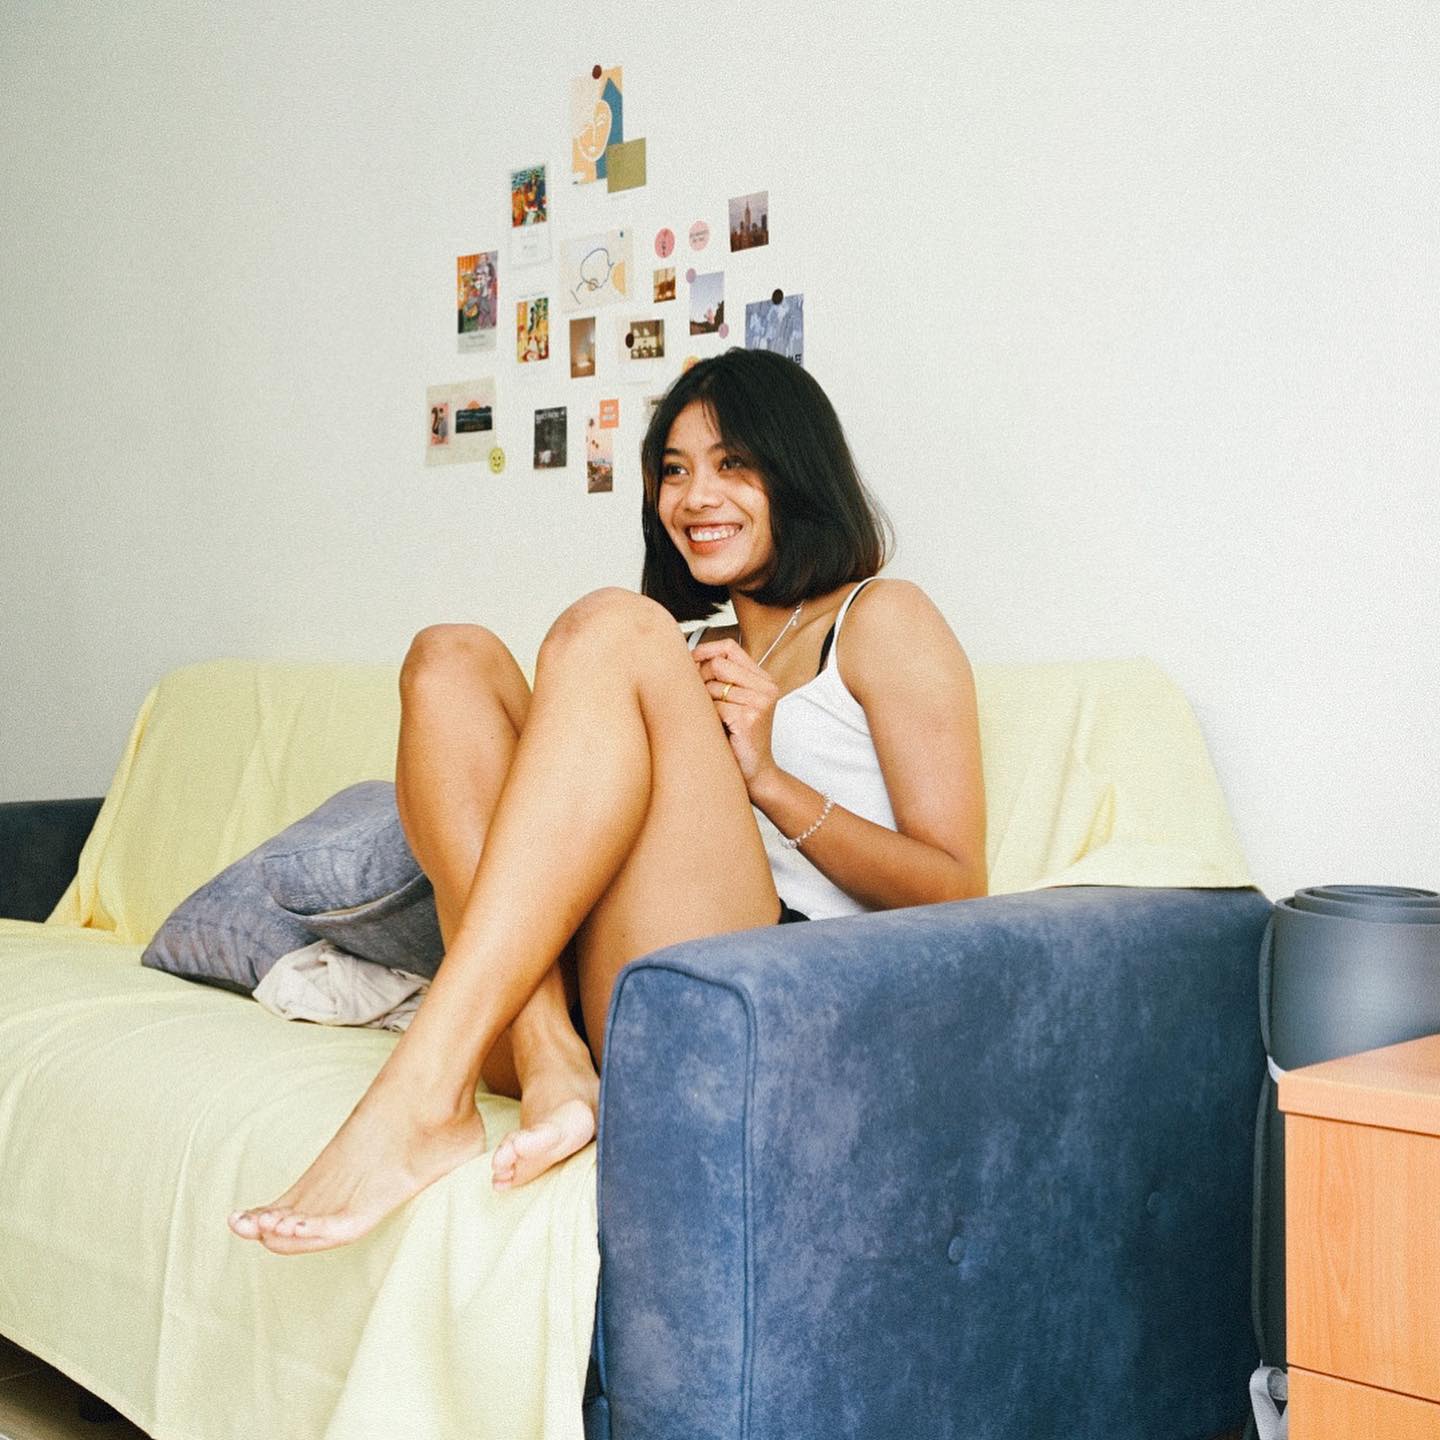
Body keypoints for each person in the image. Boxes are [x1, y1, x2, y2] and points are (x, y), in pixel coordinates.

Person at [228, 348, 987, 1254]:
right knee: (448, 657)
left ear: (798, 471)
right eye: (675, 470)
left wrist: (769, 781)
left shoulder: (879, 617)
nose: (696, 497)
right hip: (585, 997)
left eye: (733, 464)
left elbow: (958, 887)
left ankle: (418, 1089)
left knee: (617, 626)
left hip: (761, 994)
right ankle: (548, 1057)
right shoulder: (680, 649)